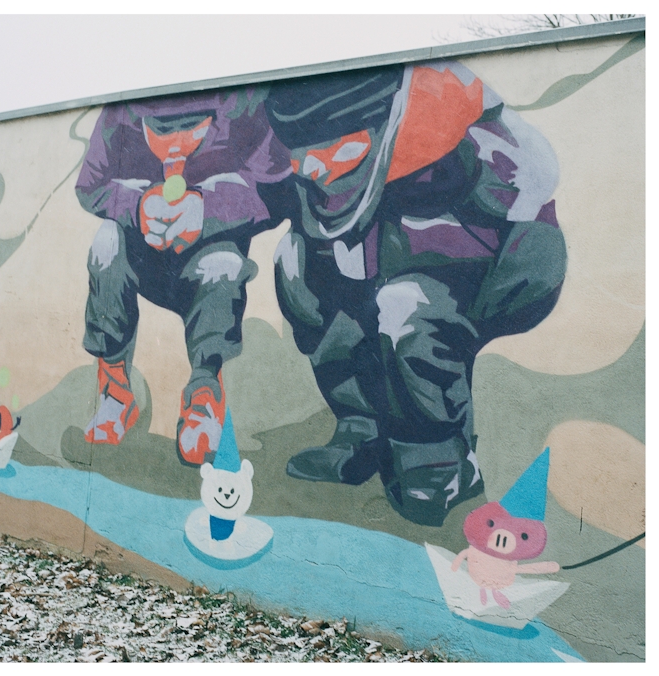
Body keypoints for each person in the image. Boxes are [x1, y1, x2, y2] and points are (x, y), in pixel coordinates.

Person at [259, 62, 567, 526]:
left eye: (333, 150)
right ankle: (360, 427)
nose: (314, 168)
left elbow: (526, 204)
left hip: (488, 272)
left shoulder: (463, 142)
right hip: (379, 270)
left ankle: (439, 463)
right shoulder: (315, 168)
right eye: (303, 155)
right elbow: (255, 197)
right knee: (295, 265)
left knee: (406, 306)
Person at [74, 88, 292, 466]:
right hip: (144, 255)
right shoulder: (120, 112)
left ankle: (205, 395)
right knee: (106, 243)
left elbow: (278, 189)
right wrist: (137, 206)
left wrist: (207, 210)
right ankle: (115, 393)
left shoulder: (246, 102)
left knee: (223, 264)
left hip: (208, 257)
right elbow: (90, 185)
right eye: (160, 133)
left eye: (192, 132)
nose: (175, 146)